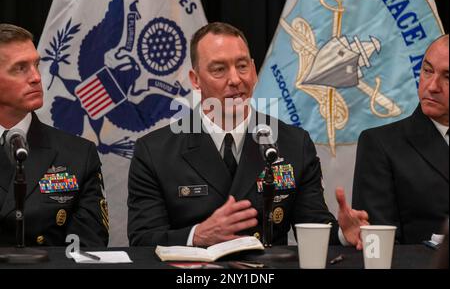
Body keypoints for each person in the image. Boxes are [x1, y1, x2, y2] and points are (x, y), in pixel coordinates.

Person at [128, 22, 368, 248]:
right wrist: (198, 235)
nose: (235, 79)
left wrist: (342, 234)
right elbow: (143, 239)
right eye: (219, 69)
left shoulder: (294, 143)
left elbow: (312, 225)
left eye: (242, 66)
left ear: (253, 71)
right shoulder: (155, 151)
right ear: (195, 80)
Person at [0, 23, 108, 247]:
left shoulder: (78, 154)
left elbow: (88, 245)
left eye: (36, 65)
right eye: (20, 68)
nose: (36, 77)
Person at [352, 35, 449, 244]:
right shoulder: (380, 145)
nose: (432, 86)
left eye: (448, 76)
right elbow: (377, 246)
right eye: (427, 70)